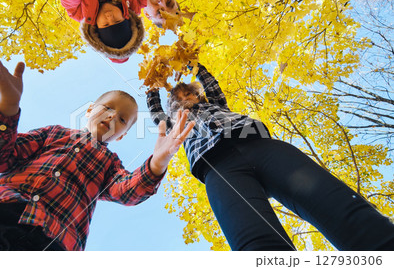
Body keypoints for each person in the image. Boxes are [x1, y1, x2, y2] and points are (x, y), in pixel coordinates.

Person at [0, 39, 194, 251]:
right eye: (108, 108)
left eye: (121, 120)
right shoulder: (54, 134)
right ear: (89, 110)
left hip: (51, 242)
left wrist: (157, 163)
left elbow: (126, 191)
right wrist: (8, 105)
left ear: (121, 136)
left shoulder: (110, 164)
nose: (111, 117)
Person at [146, 62, 394, 251]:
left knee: (338, 205)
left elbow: (211, 84)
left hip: (260, 146)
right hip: (217, 169)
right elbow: (154, 107)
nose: (184, 100)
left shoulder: (217, 105)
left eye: (187, 95)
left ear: (197, 95)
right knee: (257, 245)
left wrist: (191, 63)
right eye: (177, 100)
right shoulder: (170, 123)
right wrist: (153, 80)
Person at [58, 0, 147, 63]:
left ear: (97, 28)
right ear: (125, 17)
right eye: (117, 21)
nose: (109, 17)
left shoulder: (79, 12)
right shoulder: (138, 2)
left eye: (106, 24)